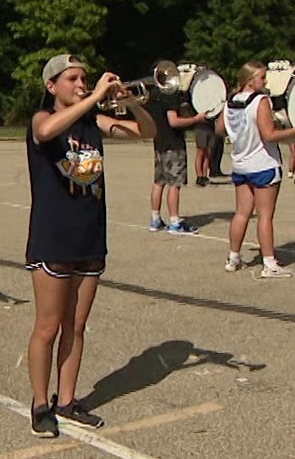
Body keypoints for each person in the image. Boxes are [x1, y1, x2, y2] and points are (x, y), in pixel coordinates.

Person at [25, 54, 154, 439]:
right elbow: (46, 133)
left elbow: (146, 133)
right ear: (52, 87)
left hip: (89, 234)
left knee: (76, 326)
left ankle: (66, 400)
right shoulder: (40, 118)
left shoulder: (92, 121)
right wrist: (96, 94)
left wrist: (128, 101)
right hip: (53, 235)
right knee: (48, 327)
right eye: (72, 79)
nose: (80, 84)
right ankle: (39, 405)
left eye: (84, 79)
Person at [217, 63, 295, 277]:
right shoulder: (261, 101)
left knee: (241, 212)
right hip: (263, 163)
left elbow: (220, 129)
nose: (265, 81)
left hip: (240, 163)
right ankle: (269, 263)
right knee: (265, 216)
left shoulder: (230, 101)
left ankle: (233, 257)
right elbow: (269, 135)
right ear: (250, 80)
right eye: (261, 77)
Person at [146, 64, 202, 235]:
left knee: (159, 182)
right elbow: (174, 121)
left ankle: (155, 219)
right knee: (175, 184)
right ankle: (174, 221)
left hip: (159, 142)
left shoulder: (153, 95)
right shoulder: (170, 95)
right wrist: (195, 119)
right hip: (173, 144)